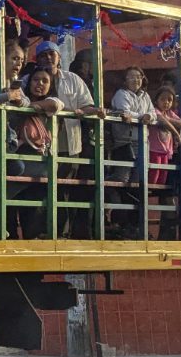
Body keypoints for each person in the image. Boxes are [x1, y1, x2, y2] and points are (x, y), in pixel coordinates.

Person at [35, 40, 104, 238]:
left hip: (69, 142)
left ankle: (62, 232)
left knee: (65, 189)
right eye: (43, 55)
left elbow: (88, 105)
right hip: (41, 142)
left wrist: (89, 111)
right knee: (44, 187)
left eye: (52, 54)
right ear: (37, 59)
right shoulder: (31, 79)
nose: (48, 58)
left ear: (59, 57)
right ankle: (47, 231)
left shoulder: (73, 79)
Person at [9, 68, 64, 240]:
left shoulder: (51, 101)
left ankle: (31, 240)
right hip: (17, 156)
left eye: (45, 81)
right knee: (10, 202)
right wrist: (29, 106)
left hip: (39, 161)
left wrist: (31, 107)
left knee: (34, 208)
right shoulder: (19, 99)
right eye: (35, 80)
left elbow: (55, 105)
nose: (39, 84)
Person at [109, 66, 156, 237]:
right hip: (124, 142)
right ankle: (118, 220)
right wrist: (142, 117)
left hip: (142, 142)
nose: (136, 80)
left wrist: (148, 117)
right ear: (125, 80)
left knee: (137, 183)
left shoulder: (145, 95)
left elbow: (152, 113)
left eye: (138, 77)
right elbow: (126, 114)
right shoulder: (121, 94)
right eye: (131, 77)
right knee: (121, 180)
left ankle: (133, 224)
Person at [150, 85, 181, 238]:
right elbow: (160, 120)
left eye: (169, 100)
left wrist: (170, 120)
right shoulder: (154, 110)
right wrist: (176, 133)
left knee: (163, 178)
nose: (166, 102)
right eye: (163, 99)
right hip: (153, 149)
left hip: (166, 151)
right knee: (153, 178)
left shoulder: (169, 113)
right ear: (156, 100)